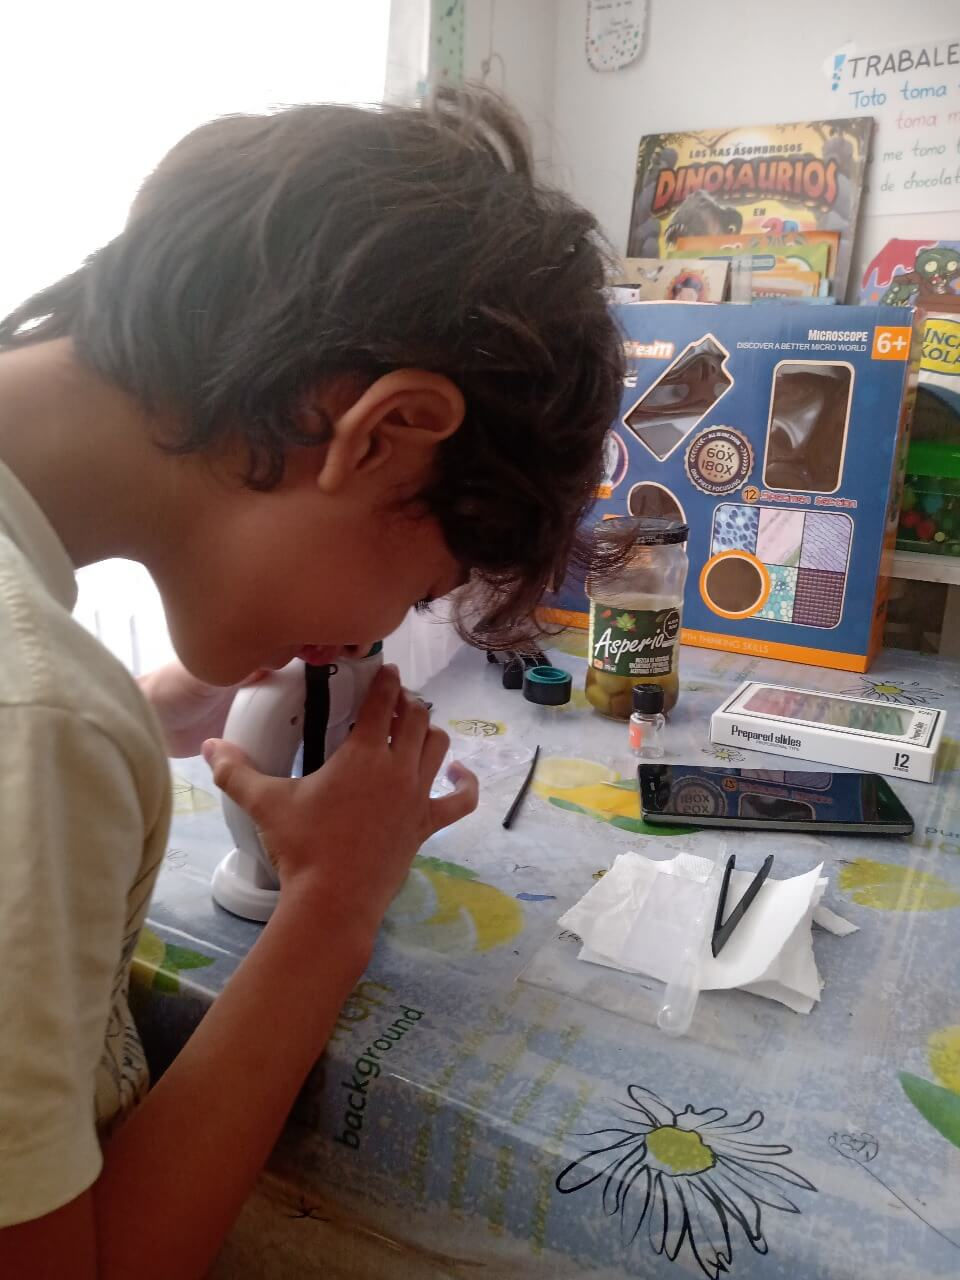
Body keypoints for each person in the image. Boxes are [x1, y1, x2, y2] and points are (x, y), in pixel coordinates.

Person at [0, 87, 623, 1277]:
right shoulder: (37, 718)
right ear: (383, 430)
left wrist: (142, 707)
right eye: (416, 587)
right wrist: (334, 900)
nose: (381, 629)